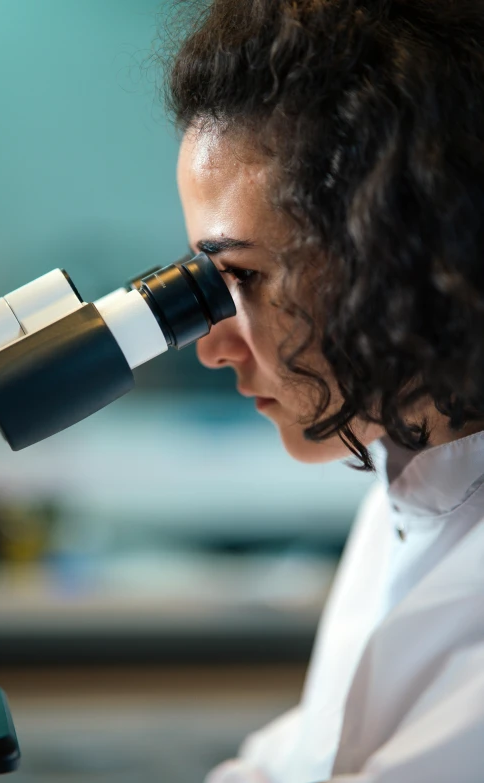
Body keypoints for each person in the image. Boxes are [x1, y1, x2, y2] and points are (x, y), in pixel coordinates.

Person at [168, 0, 484, 780]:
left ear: (401, 251)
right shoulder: (406, 477)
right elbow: (299, 756)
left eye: (242, 276)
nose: (210, 344)